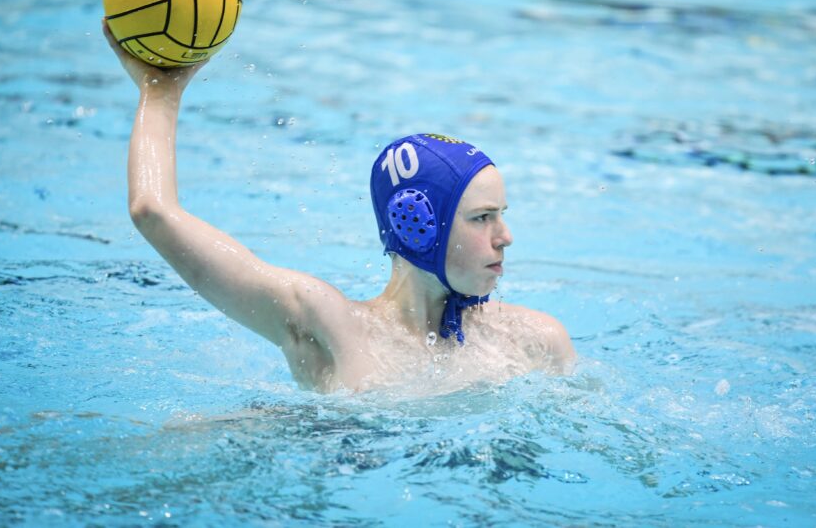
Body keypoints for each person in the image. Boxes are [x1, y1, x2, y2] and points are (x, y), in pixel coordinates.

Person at [105, 22, 575, 393]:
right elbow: (154, 211)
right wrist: (159, 93)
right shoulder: (332, 326)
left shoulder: (535, 340)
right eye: (481, 217)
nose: (504, 236)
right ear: (418, 225)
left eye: (501, 214)